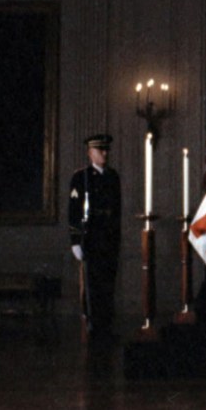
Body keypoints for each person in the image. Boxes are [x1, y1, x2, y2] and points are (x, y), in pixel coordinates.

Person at [68, 134, 122, 342]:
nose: (105, 154)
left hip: (108, 237)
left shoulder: (113, 176)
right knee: (92, 286)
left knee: (108, 284)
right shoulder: (81, 177)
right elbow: (74, 210)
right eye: (100, 150)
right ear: (90, 153)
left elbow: (116, 210)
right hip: (90, 237)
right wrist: (75, 240)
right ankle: (93, 327)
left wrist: (117, 236)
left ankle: (106, 328)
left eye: (106, 150)